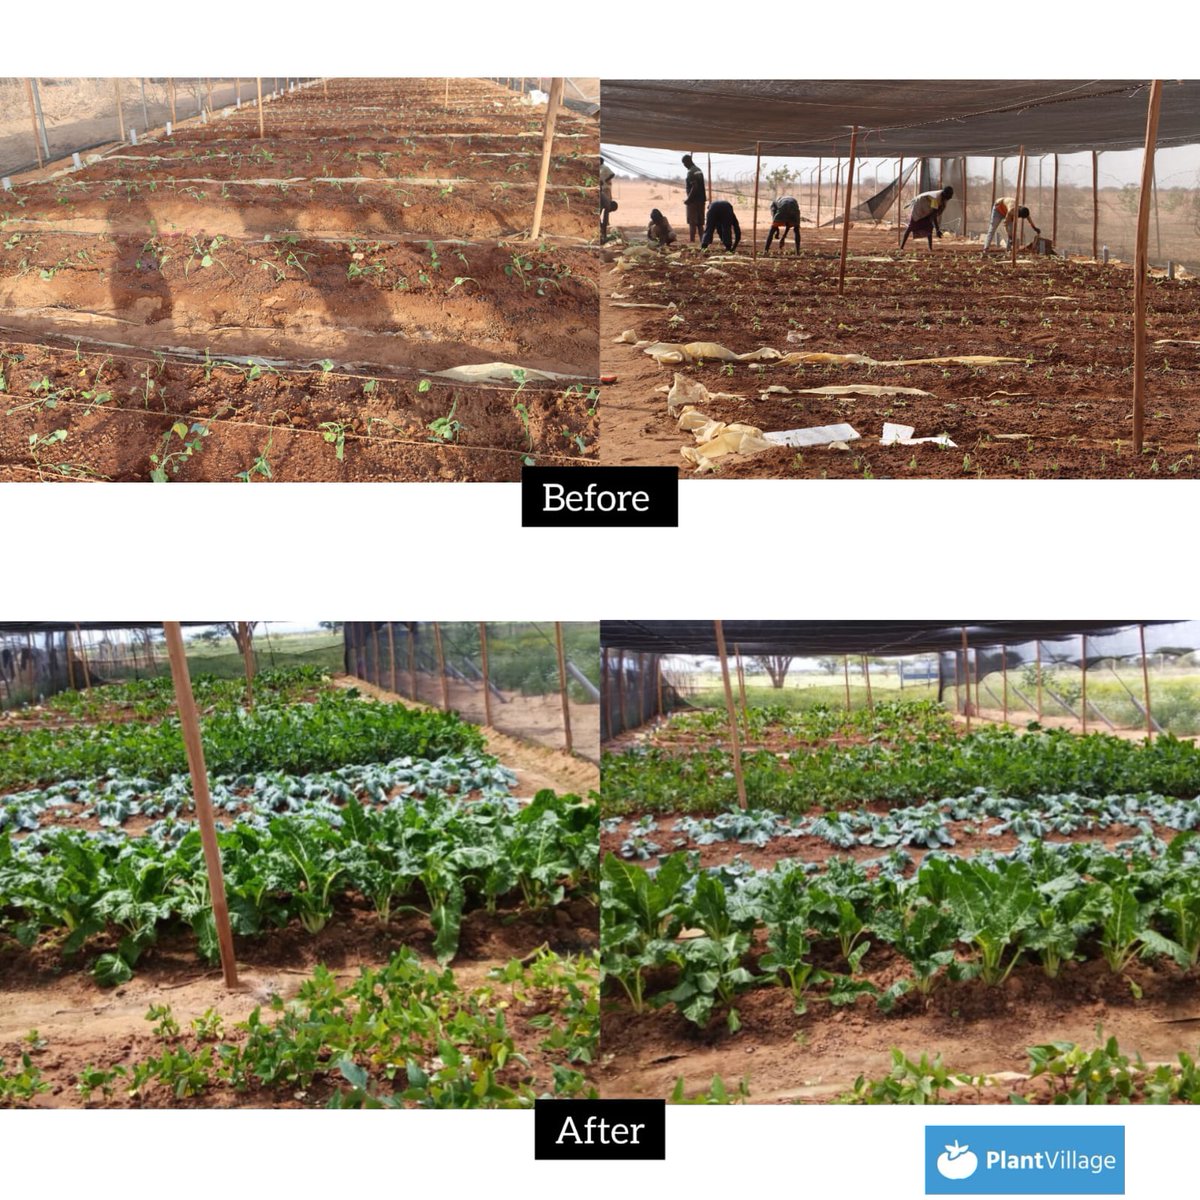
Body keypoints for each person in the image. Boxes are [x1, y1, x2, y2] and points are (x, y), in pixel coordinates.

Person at [900, 185, 954, 250]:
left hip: (927, 208)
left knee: (929, 227)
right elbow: (934, 214)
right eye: (949, 196)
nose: (949, 198)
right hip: (920, 206)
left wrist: (937, 229)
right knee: (911, 226)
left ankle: (930, 248)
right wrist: (937, 230)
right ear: (945, 194)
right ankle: (901, 247)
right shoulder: (936, 198)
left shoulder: (943, 197)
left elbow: (934, 213)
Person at [682, 154, 707, 242]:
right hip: (701, 200)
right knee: (700, 223)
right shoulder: (699, 170)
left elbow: (694, 186)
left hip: (693, 201)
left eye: (684, 163)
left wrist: (688, 200)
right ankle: (702, 241)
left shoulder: (690, 172)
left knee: (692, 223)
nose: (684, 165)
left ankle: (692, 241)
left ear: (687, 162)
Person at [599, 160, 617, 244]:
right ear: (612, 208)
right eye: (612, 210)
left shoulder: (606, 201)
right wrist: (605, 234)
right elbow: (605, 220)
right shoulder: (607, 204)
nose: (610, 211)